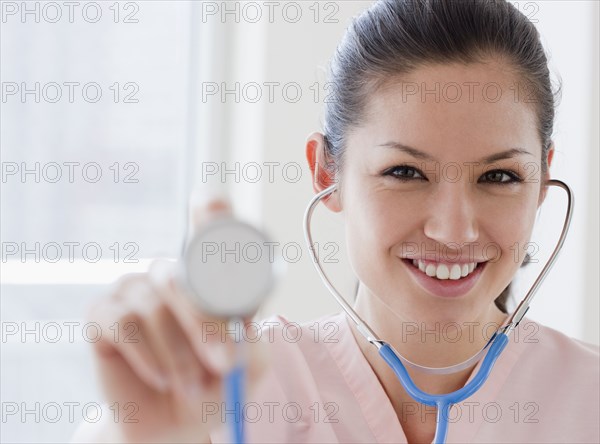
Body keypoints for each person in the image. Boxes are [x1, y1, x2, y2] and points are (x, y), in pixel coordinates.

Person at [72, 0, 600, 443]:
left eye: (500, 177)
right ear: (327, 172)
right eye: (405, 171)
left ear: (543, 179)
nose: (454, 230)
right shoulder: (229, 386)